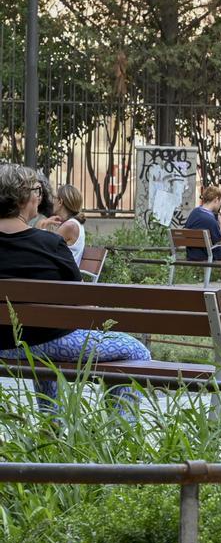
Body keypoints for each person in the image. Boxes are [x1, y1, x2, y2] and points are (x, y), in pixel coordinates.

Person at [0, 163, 149, 418]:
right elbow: (78, 302)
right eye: (37, 190)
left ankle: (52, 427)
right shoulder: (50, 244)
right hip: (48, 342)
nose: (41, 196)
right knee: (137, 351)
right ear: (24, 197)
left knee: (45, 342)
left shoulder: (51, 239)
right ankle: (120, 434)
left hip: (2, 345)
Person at [183, 186, 221, 296]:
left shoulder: (195, 212)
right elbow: (220, 239)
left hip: (192, 253)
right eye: (220, 201)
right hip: (206, 254)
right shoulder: (210, 219)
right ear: (216, 199)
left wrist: (219, 225)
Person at [49, 184, 86, 266]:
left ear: (60, 202)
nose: (52, 201)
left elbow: (46, 248)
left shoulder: (70, 226)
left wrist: (41, 226)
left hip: (63, 276)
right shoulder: (72, 223)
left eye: (54, 198)